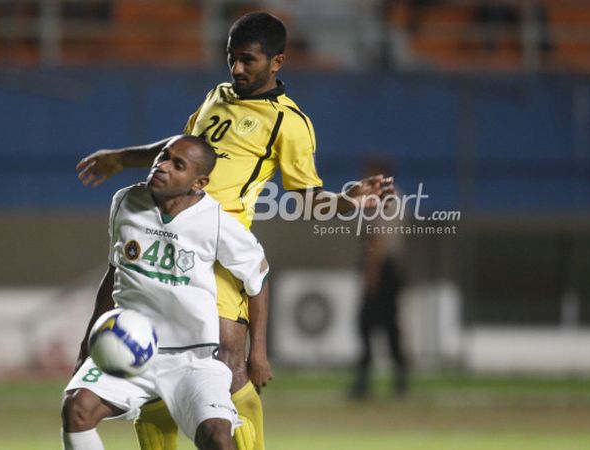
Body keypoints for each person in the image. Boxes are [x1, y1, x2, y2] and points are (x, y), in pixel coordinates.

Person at [76, 12, 394, 450]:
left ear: (277, 61)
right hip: (164, 235)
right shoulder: (217, 96)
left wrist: (349, 200)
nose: (237, 69)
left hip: (218, 249)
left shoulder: (289, 122)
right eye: (231, 59)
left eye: (248, 60)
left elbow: (305, 199)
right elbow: (177, 151)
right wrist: (122, 157)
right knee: (151, 357)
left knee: (229, 365)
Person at [62, 135, 270, 450]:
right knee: (76, 410)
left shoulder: (216, 223)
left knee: (217, 438)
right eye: (163, 156)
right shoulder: (125, 201)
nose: (162, 166)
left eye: (178, 165)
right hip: (129, 349)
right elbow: (115, 271)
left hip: (193, 359)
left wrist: (258, 354)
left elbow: (258, 280)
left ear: (198, 182)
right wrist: (89, 339)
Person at [349, 158, 408, 400]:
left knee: (367, 324)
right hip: (392, 269)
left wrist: (370, 275)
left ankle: (364, 381)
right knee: (390, 326)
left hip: (382, 269)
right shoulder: (398, 197)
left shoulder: (382, 199)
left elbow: (379, 240)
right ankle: (400, 379)